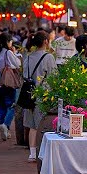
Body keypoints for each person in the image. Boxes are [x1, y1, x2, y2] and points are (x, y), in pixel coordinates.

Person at [23, 30, 57, 161]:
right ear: (45, 42)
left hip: (29, 94)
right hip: (43, 95)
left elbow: (24, 76)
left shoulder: (28, 56)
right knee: (42, 125)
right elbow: (53, 77)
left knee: (32, 126)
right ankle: (40, 152)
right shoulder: (48, 57)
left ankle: (32, 153)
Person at [0, 32, 22, 141]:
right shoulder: (8, 52)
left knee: (1, 108)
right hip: (7, 83)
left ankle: (4, 128)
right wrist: (15, 53)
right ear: (8, 42)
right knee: (11, 106)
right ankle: (6, 125)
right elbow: (18, 64)